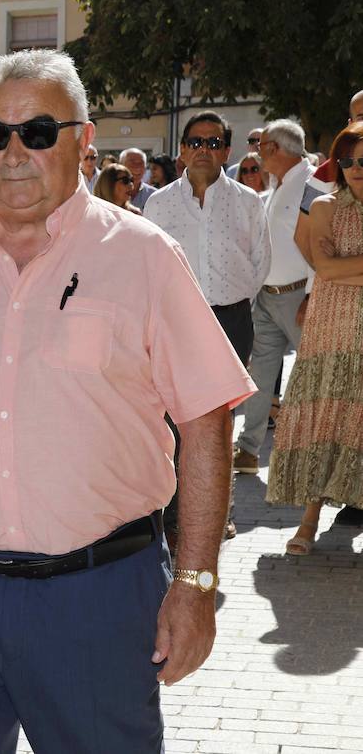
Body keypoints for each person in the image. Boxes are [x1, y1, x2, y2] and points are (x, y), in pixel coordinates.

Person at [0, 49, 253, 753]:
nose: (14, 153)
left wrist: (195, 581)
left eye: (39, 132)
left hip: (99, 598)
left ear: (84, 140)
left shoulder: (143, 255)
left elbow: (206, 418)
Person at [144, 110, 270, 540]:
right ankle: (173, 515)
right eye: (196, 142)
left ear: (227, 151)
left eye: (213, 143)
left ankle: (217, 515)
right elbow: (146, 269)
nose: (203, 150)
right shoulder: (158, 204)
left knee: (219, 424)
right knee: (172, 421)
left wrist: (230, 304)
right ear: (182, 150)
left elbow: (259, 264)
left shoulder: (248, 202)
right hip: (175, 321)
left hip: (230, 320)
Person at [267, 121, 363, 553]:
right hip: (331, 325)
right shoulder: (323, 205)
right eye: (346, 160)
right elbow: (325, 268)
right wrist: (340, 270)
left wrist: (347, 268)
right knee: (325, 413)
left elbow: (338, 268)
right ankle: (308, 521)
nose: (355, 167)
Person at [233, 120, 314, 476]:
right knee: (260, 375)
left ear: (273, 149)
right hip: (268, 296)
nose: (255, 152)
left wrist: (313, 294)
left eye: (260, 145)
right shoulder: (277, 184)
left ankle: (314, 454)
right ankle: (248, 450)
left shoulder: (313, 183)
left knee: (313, 378)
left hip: (300, 297)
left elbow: (320, 241)